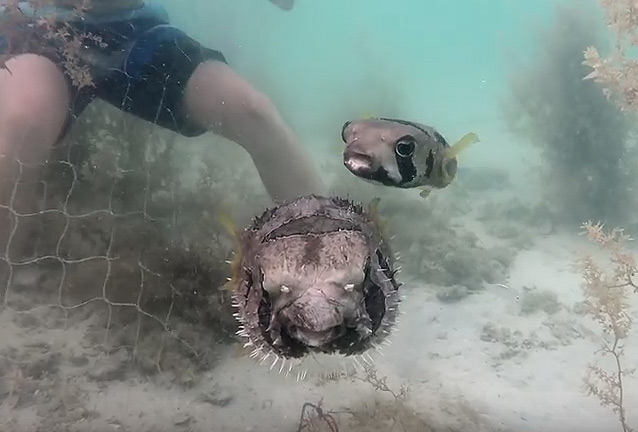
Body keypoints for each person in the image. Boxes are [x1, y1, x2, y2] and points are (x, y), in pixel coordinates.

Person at [0, 0, 324, 208]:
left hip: (135, 33)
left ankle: (332, 259)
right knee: (19, 122)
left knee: (253, 112)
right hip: (42, 29)